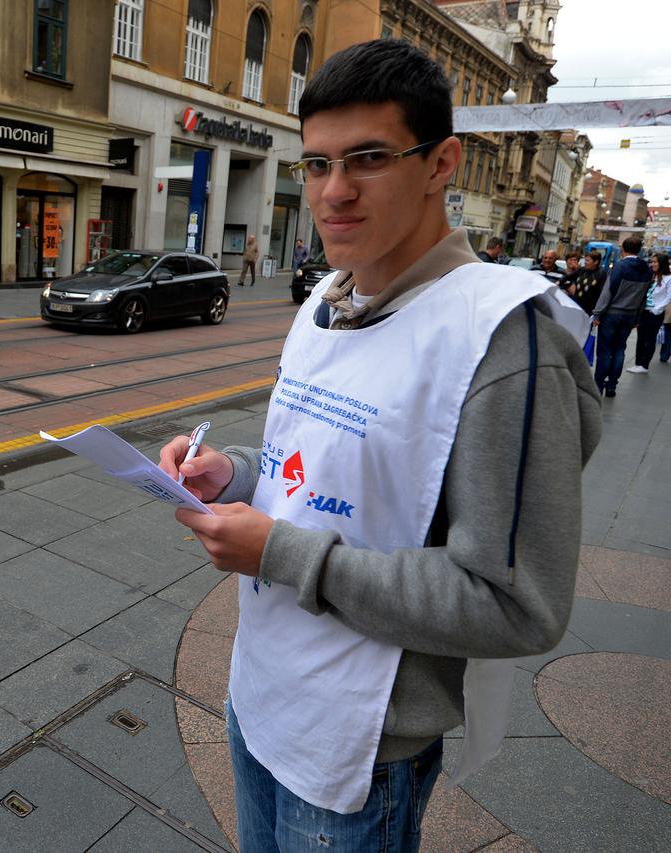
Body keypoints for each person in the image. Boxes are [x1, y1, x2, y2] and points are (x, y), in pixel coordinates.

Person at [157, 39, 599, 852]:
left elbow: (517, 603)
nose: (333, 192)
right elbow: (314, 474)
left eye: (368, 158)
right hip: (261, 696)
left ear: (442, 164)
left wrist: (286, 555)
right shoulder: (327, 302)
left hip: (361, 756)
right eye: (315, 165)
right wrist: (235, 474)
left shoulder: (502, 344)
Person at [592, 236, 653, 396]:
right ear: (639, 250)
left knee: (605, 351)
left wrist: (598, 313)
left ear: (623, 249)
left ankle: (598, 384)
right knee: (620, 349)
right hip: (630, 315)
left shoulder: (620, 267)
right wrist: (637, 317)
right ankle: (612, 385)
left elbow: (608, 292)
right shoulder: (647, 270)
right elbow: (644, 296)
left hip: (612, 314)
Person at [628, 253, 670, 373]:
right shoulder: (652, 276)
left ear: (662, 263)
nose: (653, 264)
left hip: (655, 313)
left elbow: (669, 297)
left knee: (649, 338)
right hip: (644, 311)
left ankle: (644, 365)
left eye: (655, 262)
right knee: (640, 338)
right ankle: (638, 364)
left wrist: (657, 309)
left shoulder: (669, 279)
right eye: (652, 262)